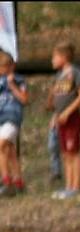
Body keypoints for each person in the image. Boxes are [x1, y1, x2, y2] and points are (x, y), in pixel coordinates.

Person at [49, 41, 80, 200]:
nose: (52, 60)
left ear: (64, 57)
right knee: (65, 153)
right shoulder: (59, 77)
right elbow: (56, 101)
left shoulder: (75, 72)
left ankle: (76, 186)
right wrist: (55, 116)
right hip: (61, 120)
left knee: (74, 152)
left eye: (54, 57)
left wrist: (67, 112)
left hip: (72, 119)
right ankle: (68, 186)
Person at [0, 50, 28, 197]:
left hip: (12, 117)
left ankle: (6, 181)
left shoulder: (18, 80)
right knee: (9, 151)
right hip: (0, 119)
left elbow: (24, 99)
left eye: (4, 67)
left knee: (1, 146)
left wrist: (12, 86)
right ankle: (18, 181)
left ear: (11, 67)